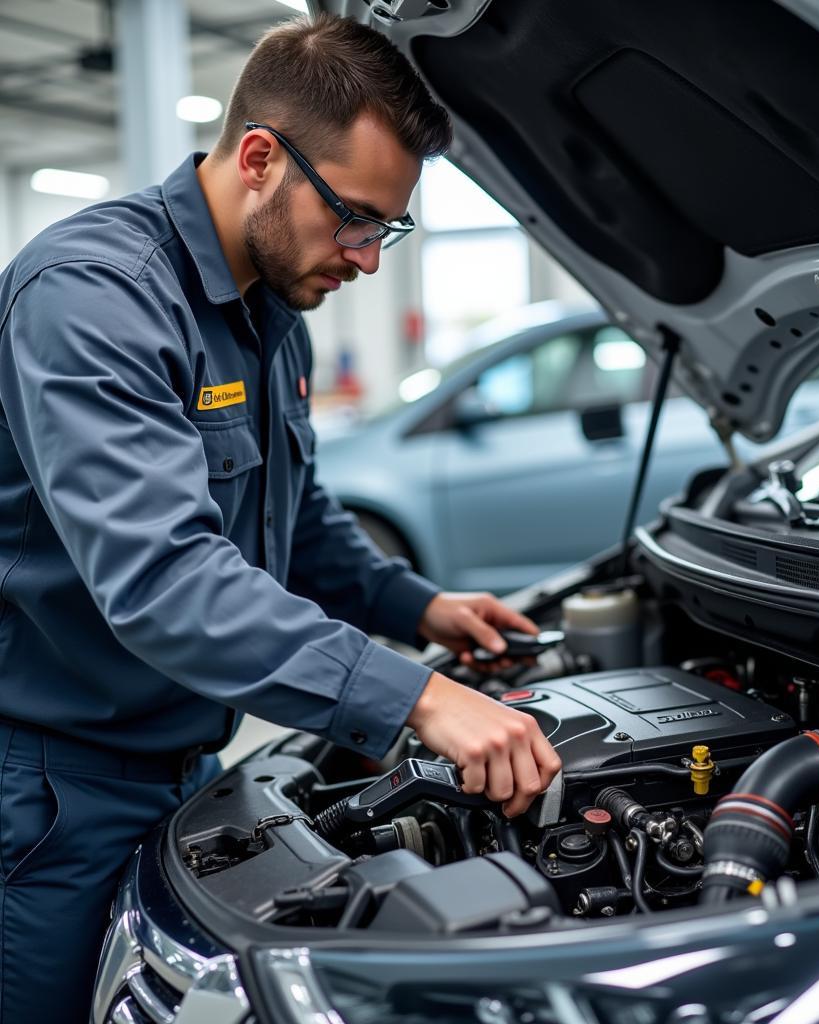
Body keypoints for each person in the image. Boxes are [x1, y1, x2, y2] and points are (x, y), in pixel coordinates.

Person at [0, 13, 561, 1023]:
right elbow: (165, 579)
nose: (366, 257)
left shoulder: (268, 314)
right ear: (258, 157)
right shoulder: (93, 297)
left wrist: (418, 605)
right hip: (52, 794)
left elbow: (290, 519)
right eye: (354, 217)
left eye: (385, 229)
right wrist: (414, 700)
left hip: (187, 765)